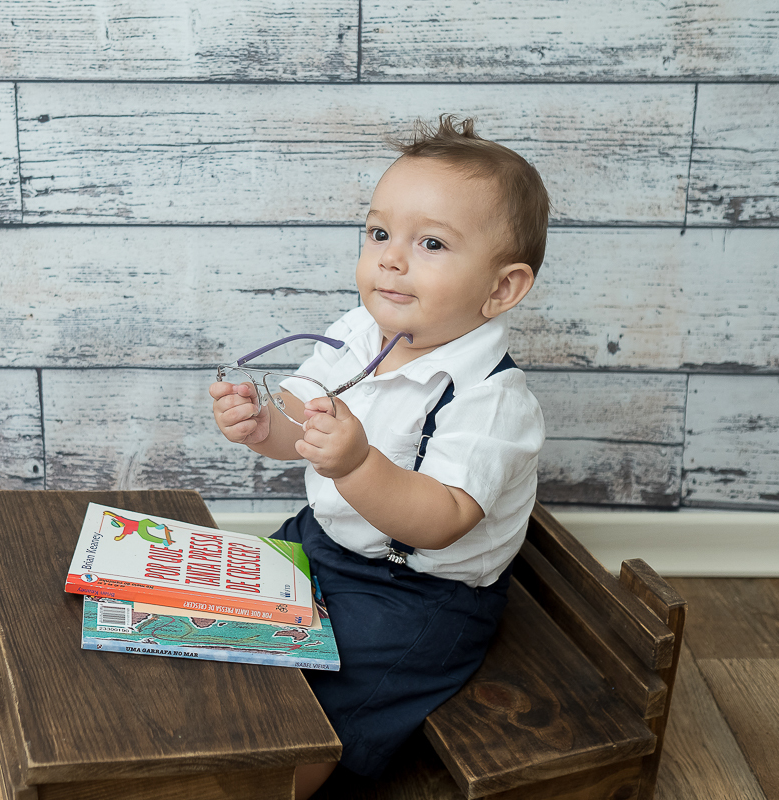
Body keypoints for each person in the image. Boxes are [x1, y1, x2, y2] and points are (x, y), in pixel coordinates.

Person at [210, 115, 548, 797]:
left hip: (417, 598)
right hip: (323, 541)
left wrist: (358, 466)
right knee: (223, 625)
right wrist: (260, 426)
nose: (391, 258)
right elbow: (300, 427)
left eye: (430, 243)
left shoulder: (492, 400)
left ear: (502, 288)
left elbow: (443, 519)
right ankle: (209, 737)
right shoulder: (361, 331)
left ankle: (285, 781)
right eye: (379, 233)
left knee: (324, 707)